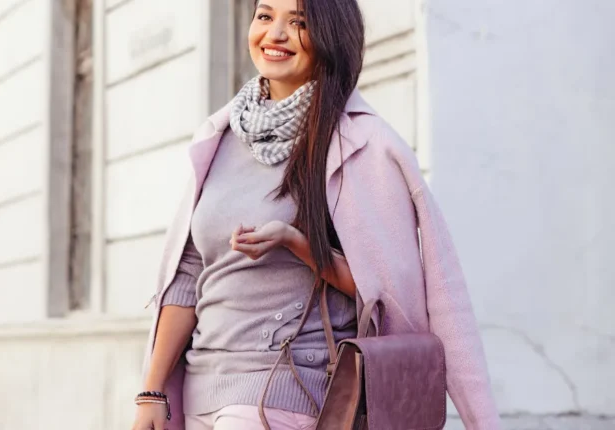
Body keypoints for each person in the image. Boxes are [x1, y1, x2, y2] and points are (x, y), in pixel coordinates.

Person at [132, 0, 500, 429]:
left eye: (299, 23)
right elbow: (189, 271)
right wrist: (152, 391)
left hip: (282, 392)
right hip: (199, 388)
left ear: (330, 36)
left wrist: (299, 245)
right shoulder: (221, 135)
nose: (275, 34)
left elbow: (385, 295)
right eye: (265, 16)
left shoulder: (363, 144)